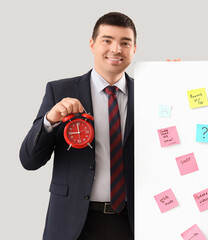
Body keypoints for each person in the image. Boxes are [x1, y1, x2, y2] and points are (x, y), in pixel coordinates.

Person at [19, 12, 136, 240]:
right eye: (107, 40)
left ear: (134, 49)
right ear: (92, 45)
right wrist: (49, 120)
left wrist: (174, 81)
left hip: (131, 222)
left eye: (125, 42)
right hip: (73, 223)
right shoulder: (60, 91)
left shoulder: (152, 93)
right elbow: (29, 161)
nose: (116, 49)